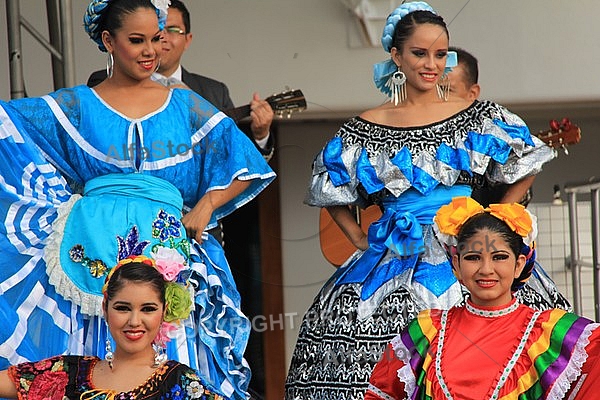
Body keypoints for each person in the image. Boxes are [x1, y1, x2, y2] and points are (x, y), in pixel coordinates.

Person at [284, 2, 568, 399]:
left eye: (440, 54)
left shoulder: (476, 116)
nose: (431, 64)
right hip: (393, 255)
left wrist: (500, 212)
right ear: (396, 56)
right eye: (419, 53)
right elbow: (328, 188)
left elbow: (528, 159)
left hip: (468, 245)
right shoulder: (364, 127)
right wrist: (358, 239)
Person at [0, 1, 275, 399]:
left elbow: (245, 164)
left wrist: (207, 205)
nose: (150, 51)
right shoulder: (76, 106)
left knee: (171, 345)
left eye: (156, 40)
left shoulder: (185, 104)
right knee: (89, 345)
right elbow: (8, 126)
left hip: (169, 247)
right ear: (108, 41)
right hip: (90, 245)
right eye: (136, 40)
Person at [365, 197, 600, 399]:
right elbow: (379, 393)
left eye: (499, 257)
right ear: (456, 264)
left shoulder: (550, 332)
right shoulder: (426, 330)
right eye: (473, 258)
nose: (486, 269)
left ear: (518, 265)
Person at [0, 256, 226, 399]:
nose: (135, 321)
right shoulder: (68, 373)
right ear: (105, 309)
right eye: (123, 308)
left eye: (147, 309)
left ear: (164, 311)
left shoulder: (181, 383)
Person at [446, 46, 532, 206]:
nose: (440, 98)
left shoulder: (487, 125)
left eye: (448, 90)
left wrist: (497, 218)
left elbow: (530, 157)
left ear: (472, 94)